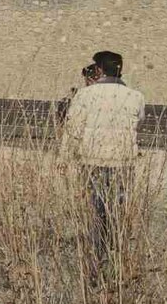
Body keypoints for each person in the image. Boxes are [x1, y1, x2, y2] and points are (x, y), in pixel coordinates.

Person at [60, 50, 146, 261]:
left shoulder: (85, 95)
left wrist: (64, 157)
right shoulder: (136, 96)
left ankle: (98, 253)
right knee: (118, 205)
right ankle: (116, 250)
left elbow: (73, 129)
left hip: (92, 160)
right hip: (123, 160)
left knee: (96, 206)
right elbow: (139, 123)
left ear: (98, 70)